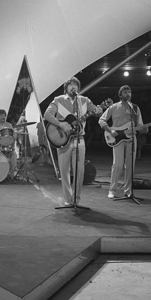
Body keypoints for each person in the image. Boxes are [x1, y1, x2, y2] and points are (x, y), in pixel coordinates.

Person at [44, 77, 100, 208]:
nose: (73, 86)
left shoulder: (84, 100)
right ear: (66, 88)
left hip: (79, 139)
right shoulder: (58, 100)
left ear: (78, 88)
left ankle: (76, 199)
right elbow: (47, 114)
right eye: (70, 85)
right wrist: (60, 124)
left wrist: (99, 111)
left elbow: (96, 111)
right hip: (63, 140)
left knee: (80, 170)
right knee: (64, 170)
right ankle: (68, 199)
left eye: (75, 84)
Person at [98, 85, 148, 199]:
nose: (128, 94)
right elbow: (101, 120)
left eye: (129, 92)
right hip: (117, 139)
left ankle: (128, 190)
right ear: (120, 95)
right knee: (117, 164)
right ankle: (112, 190)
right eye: (125, 92)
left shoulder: (135, 108)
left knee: (130, 166)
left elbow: (140, 124)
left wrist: (143, 128)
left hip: (131, 138)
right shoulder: (114, 107)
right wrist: (110, 130)